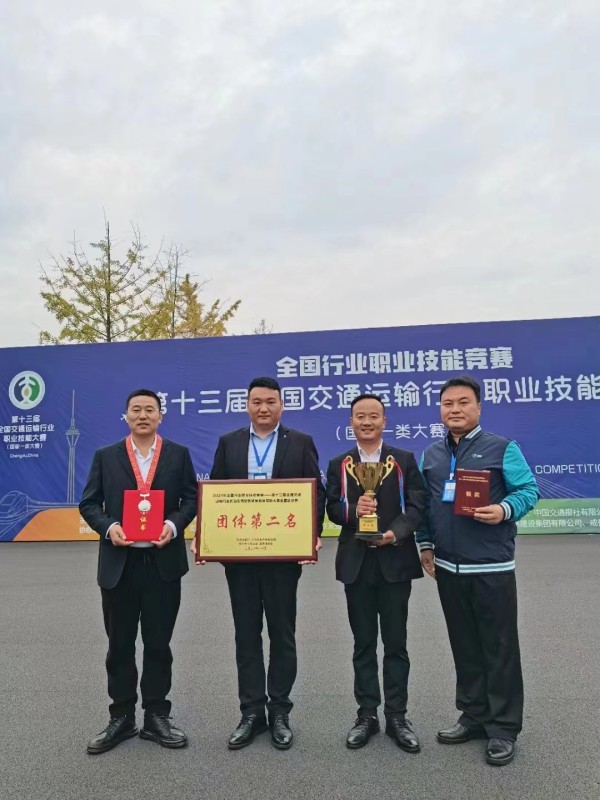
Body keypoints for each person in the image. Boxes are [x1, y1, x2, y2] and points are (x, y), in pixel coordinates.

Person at [196, 376, 325, 751]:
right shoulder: (230, 442)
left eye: (270, 401)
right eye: (257, 402)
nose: (263, 408)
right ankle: (251, 712)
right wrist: (206, 535)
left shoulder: (300, 442)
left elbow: (316, 493)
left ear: (281, 405)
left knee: (282, 634)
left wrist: (311, 535)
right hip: (241, 558)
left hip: (283, 556)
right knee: (246, 634)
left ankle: (280, 712)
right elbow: (216, 493)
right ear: (246, 405)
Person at [416, 375, 539, 766]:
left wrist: (504, 509)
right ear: (440, 409)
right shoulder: (431, 454)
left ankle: (503, 727)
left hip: (491, 565)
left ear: (479, 407)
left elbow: (528, 491)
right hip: (448, 568)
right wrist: (425, 545)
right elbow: (424, 505)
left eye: (463, 402)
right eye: (448, 403)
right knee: (464, 644)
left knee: (498, 647)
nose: (455, 409)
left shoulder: (503, 448)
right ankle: (473, 715)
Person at [80, 389, 197, 754]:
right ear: (126, 416)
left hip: (163, 565)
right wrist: (109, 526)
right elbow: (89, 503)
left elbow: (192, 499)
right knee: (119, 645)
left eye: (150, 409)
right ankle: (121, 717)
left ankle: (157, 716)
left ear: (161, 416)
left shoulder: (178, 454)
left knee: (159, 644)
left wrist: (173, 525)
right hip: (120, 565)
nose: (143, 415)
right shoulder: (106, 456)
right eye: (136, 410)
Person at [326, 394, 426, 752]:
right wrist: (354, 509)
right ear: (350, 422)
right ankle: (367, 714)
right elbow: (332, 508)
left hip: (395, 561)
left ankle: (397, 716)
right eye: (360, 416)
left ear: (384, 421)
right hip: (356, 564)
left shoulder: (403, 459)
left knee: (396, 643)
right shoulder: (339, 463)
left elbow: (417, 505)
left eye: (373, 416)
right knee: (364, 643)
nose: (366, 422)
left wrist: (394, 534)